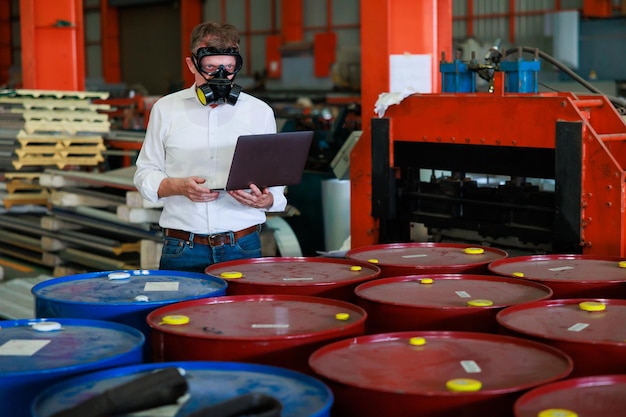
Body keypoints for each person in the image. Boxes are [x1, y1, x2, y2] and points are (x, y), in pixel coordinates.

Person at [133, 21, 287, 273]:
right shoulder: (166, 109)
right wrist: (179, 187)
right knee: (177, 313)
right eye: (211, 67)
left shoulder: (259, 112)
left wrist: (267, 199)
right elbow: (144, 175)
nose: (220, 76)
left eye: (228, 68)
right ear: (191, 64)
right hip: (183, 248)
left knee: (245, 314)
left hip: (243, 245)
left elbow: (275, 180)